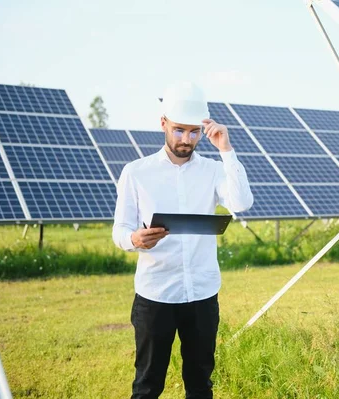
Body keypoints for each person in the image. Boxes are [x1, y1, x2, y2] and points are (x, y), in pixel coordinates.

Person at [112, 82, 254, 399]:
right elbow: (119, 231)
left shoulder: (214, 170)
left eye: (193, 132)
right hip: (155, 296)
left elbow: (242, 203)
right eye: (178, 130)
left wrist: (226, 149)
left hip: (202, 295)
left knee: (200, 385)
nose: (185, 140)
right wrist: (135, 238)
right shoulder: (136, 173)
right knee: (147, 386)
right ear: (163, 123)